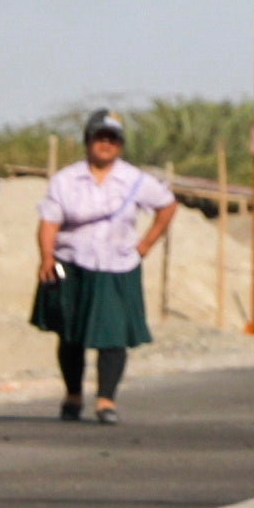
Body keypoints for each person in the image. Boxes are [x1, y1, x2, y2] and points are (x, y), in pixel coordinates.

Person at [32, 109, 179, 420]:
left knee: (112, 336)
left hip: (117, 266)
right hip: (73, 263)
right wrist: (46, 255)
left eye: (112, 139)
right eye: (100, 137)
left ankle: (105, 400)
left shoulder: (135, 180)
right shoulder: (65, 180)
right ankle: (73, 395)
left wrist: (146, 244)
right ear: (88, 140)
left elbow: (167, 205)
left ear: (120, 145)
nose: (105, 144)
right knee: (71, 334)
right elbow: (49, 221)